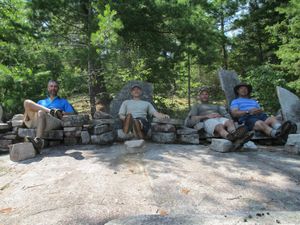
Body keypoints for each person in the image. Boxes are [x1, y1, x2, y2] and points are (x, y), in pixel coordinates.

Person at [186, 87, 253, 150]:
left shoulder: (216, 106)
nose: (204, 96)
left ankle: (235, 135)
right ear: (199, 97)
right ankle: (231, 138)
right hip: (208, 120)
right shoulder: (197, 106)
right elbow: (192, 118)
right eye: (202, 94)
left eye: (206, 94)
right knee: (219, 126)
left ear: (208, 96)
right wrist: (207, 116)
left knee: (229, 122)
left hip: (220, 118)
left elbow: (226, 114)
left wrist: (228, 119)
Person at [23, 80, 74, 152]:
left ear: (58, 88)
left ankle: (38, 141)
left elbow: (72, 113)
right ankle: (50, 111)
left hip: (54, 121)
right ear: (48, 88)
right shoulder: (41, 101)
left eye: (55, 86)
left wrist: (62, 113)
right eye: (51, 86)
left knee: (41, 112)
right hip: (38, 120)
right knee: (27, 102)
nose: (53, 88)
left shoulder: (63, 101)